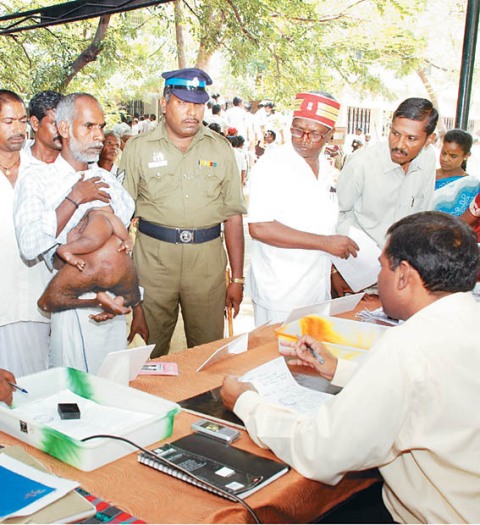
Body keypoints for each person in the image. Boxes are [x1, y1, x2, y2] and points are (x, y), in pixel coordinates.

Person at [221, 211, 480, 524]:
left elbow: (320, 451)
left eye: (381, 266)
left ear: (404, 276)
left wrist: (246, 402)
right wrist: (339, 369)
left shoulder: (407, 346)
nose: (376, 277)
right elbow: (429, 392)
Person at [14, 93, 146, 373]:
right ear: (64, 129)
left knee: (114, 390)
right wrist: (75, 198)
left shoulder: (108, 180)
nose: (98, 136)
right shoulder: (38, 180)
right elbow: (30, 244)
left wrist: (128, 299)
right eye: (89, 126)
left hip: (113, 306)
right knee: (75, 394)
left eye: (100, 126)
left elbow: (120, 247)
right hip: (71, 309)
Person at [120, 68, 247, 357]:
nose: (192, 112)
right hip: (153, 262)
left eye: (198, 104)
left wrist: (237, 279)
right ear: (164, 104)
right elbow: (119, 217)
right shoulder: (137, 149)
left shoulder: (221, 149)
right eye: (183, 103)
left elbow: (233, 216)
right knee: (148, 353)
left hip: (206, 263)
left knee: (207, 353)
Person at [247, 91, 359, 325]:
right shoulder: (273, 164)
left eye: (315, 133)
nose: (304, 138)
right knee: (275, 358)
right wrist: (325, 243)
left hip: (316, 289)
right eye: (297, 130)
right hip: (280, 292)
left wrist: (332, 270)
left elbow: (322, 224)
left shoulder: (326, 168)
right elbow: (260, 227)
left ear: (329, 135)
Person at [334, 98, 438, 297]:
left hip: (401, 276)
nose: (399, 145)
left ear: (429, 140)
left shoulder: (428, 158)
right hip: (356, 276)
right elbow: (336, 215)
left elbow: (422, 216)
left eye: (411, 138)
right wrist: (339, 269)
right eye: (395, 133)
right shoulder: (362, 163)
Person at [0, 90, 52, 377]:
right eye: (8, 122)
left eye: (22, 120)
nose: (18, 129)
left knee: (35, 390)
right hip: (2, 299)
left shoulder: (42, 170)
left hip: (37, 301)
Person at [38, 206, 140, 317]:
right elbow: (120, 228)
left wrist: (127, 239)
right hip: (117, 266)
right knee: (133, 297)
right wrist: (128, 239)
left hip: (91, 265)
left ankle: (96, 303)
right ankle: (118, 301)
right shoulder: (105, 216)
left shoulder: (100, 217)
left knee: (46, 303)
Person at [433, 129, 480, 216]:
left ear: (466, 156)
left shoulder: (472, 185)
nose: (445, 159)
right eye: (443, 153)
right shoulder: (427, 175)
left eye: (453, 156)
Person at [28, 90, 64, 164]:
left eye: (65, 124)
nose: (62, 130)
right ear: (35, 123)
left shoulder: (77, 163)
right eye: (55, 124)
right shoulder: (16, 161)